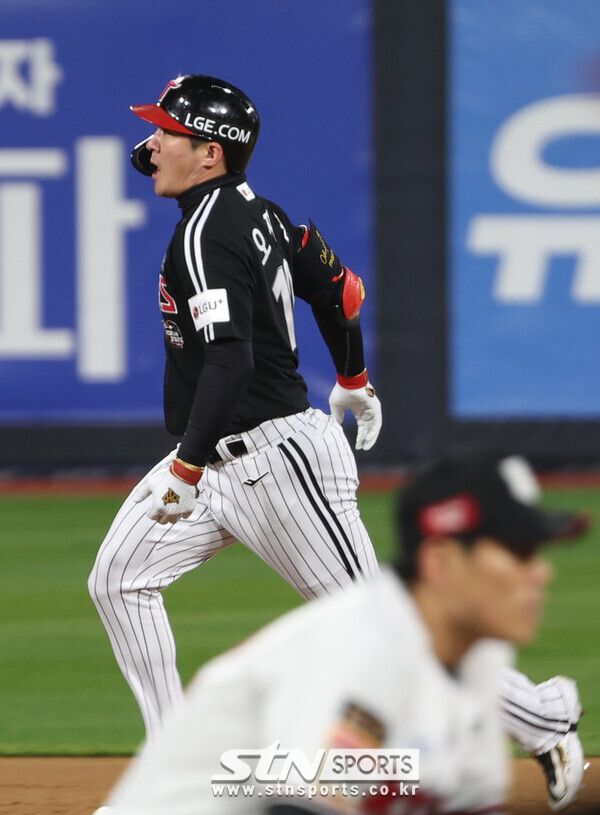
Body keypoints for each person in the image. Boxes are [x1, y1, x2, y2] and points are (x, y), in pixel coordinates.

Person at [88, 74, 382, 738]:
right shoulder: (262, 212)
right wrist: (353, 375)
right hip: (220, 456)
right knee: (119, 579)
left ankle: (541, 716)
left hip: (275, 459)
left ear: (210, 153)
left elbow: (230, 359)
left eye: (167, 131)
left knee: (377, 628)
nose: (151, 143)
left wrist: (185, 466)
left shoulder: (204, 235)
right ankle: (175, 760)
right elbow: (342, 289)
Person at [93, 453, 589, 815]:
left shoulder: (476, 658)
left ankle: (544, 719)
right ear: (442, 562)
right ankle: (545, 718)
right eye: (519, 553)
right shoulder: (355, 660)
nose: (541, 572)